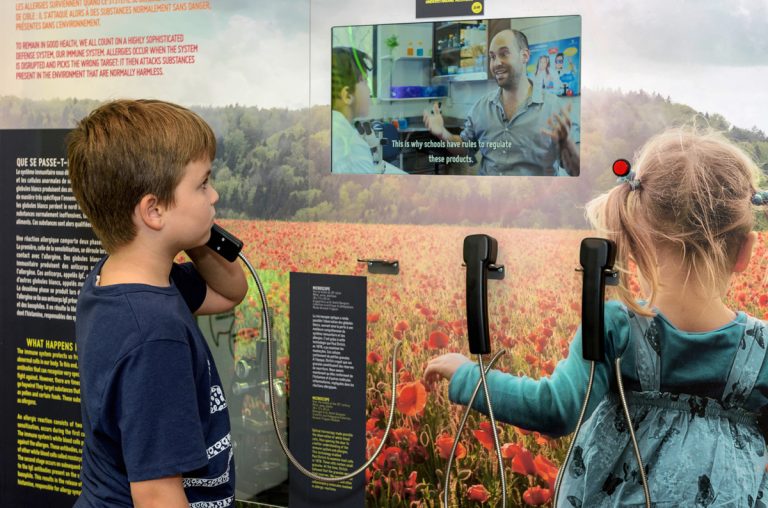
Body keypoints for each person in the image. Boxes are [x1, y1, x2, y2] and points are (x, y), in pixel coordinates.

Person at [425, 128, 768, 505]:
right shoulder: (763, 349)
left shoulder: (618, 326)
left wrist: (466, 374)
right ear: (745, 252)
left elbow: (554, 409)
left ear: (632, 243)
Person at [67, 99, 248, 507]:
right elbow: (156, 498)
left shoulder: (128, 279)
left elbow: (230, 292)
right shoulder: (153, 332)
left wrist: (198, 237)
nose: (214, 194)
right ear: (154, 210)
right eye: (202, 184)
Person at [422, 29, 579, 176]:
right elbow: (465, 147)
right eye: (492, 57)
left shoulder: (555, 108)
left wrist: (567, 144)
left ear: (524, 56)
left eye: (504, 54)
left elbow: (578, 170)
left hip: (535, 203)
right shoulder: (481, 108)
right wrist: (443, 133)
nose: (496, 63)